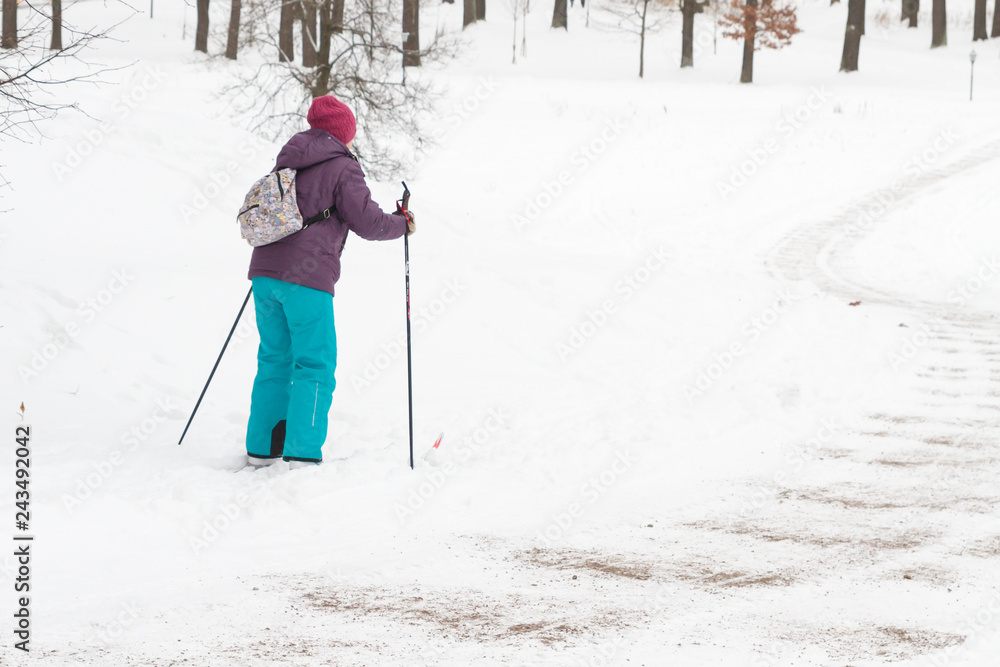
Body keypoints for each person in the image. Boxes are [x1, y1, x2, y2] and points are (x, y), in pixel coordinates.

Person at [243, 95, 414, 470]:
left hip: (265, 275)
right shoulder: (342, 167)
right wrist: (402, 223)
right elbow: (368, 222)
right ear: (343, 133)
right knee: (314, 363)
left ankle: (262, 448)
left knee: (274, 359)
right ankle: (303, 453)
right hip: (306, 279)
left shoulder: (287, 161)